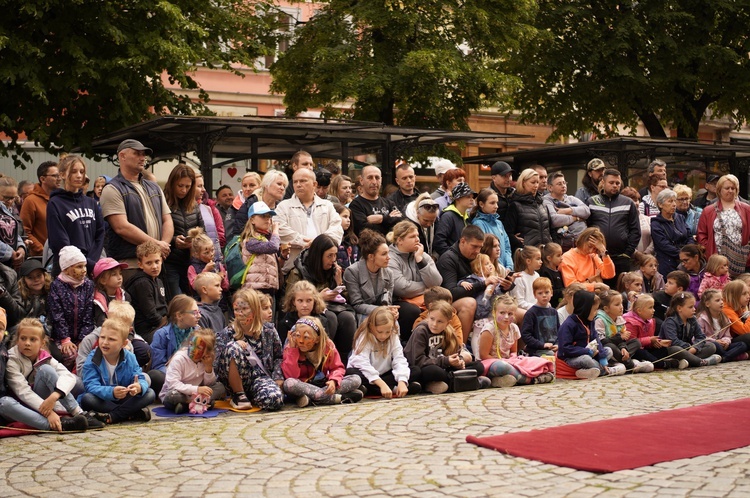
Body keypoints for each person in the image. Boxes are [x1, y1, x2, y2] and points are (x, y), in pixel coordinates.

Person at [1, 318, 96, 432]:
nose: (27, 343)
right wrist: (49, 413)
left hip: (44, 400)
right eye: (23, 338)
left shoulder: (45, 356)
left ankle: (78, 413)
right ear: (17, 340)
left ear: (42, 343)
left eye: (33, 339)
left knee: (46, 370)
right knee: (4, 403)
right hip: (23, 405)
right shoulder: (12, 359)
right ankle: (59, 424)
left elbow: (69, 376)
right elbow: (23, 391)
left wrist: (55, 395)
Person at [100, 139, 173, 283]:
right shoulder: (112, 189)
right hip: (131, 264)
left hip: (157, 262)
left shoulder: (154, 187)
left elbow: (167, 219)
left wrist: (163, 245)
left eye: (144, 154)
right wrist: (157, 246)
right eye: (137, 153)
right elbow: (121, 227)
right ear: (122, 156)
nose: (143, 157)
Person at [286, 234, 357, 358]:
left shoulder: (333, 270)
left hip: (333, 307)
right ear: (319, 256)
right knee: (330, 318)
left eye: (335, 255)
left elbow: (347, 298)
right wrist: (318, 297)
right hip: (308, 310)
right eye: (329, 256)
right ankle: (324, 357)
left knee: (348, 318)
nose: (333, 259)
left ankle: (343, 360)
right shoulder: (298, 271)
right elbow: (290, 301)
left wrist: (339, 282)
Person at [215, 289, 284, 410]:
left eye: (245, 309)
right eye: (236, 310)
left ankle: (255, 395)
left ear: (255, 309)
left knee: (274, 400)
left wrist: (278, 377)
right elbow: (216, 364)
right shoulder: (227, 333)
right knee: (233, 347)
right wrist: (234, 345)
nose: (241, 313)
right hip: (236, 379)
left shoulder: (269, 330)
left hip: (260, 378)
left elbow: (279, 356)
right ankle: (239, 395)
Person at [79, 318, 156, 424]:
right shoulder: (93, 358)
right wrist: (112, 392)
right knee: (87, 399)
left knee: (149, 393)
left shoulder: (130, 357)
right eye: (102, 337)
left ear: (124, 344)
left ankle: (113, 416)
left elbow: (140, 377)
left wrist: (138, 387)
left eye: (111, 339)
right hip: (103, 399)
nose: (105, 342)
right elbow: (90, 386)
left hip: (124, 398)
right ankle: (130, 413)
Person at [404, 301, 488, 394]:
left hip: (445, 367)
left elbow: (455, 354)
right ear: (428, 316)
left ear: (448, 323)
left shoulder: (449, 332)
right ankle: (470, 381)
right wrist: (446, 361)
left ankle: (452, 382)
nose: (434, 324)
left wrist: (458, 361)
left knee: (478, 366)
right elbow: (418, 361)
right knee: (434, 372)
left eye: (440, 321)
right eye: (432, 319)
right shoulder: (421, 331)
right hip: (426, 367)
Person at [436, 226, 499, 344]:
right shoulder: (448, 259)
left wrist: (506, 286)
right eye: (474, 246)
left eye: (480, 247)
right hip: (450, 303)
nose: (477, 251)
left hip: (483, 301)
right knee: (469, 303)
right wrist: (482, 284)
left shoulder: (477, 257)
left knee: (513, 310)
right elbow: (451, 293)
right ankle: (461, 347)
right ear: (463, 241)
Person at [282, 316, 363, 407]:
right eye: (297, 335)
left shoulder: (328, 346)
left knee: (356, 379)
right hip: (303, 387)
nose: (300, 341)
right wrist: (293, 351)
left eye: (306, 337)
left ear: (317, 339)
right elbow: (291, 376)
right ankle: (337, 398)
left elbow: (337, 367)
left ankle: (313, 399)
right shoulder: (291, 347)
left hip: (323, 384)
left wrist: (333, 381)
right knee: (289, 383)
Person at [477, 294, 555, 387]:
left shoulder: (514, 328)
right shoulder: (489, 330)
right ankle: (530, 380)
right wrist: (505, 361)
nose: (506, 317)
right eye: (502, 313)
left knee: (535, 360)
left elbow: (513, 351)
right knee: (503, 366)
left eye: (510, 314)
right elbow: (484, 355)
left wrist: (512, 358)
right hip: (492, 363)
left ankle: (504, 380)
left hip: (509, 361)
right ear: (494, 312)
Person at [275, 168, 343, 274]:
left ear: (314, 184)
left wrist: (318, 244)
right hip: (294, 269)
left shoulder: (327, 206)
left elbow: (337, 230)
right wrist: (302, 241)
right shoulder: (283, 206)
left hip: (323, 269)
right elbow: (279, 230)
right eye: (295, 182)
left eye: (302, 181)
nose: (298, 184)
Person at [46, 156, 104, 276]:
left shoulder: (91, 202)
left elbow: (100, 233)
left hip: (91, 267)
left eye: (82, 172)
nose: (79, 175)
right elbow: (59, 241)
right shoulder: (55, 203)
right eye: (74, 171)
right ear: (62, 175)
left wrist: (91, 262)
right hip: (67, 268)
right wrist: (83, 262)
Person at [346, 307, 420, 398]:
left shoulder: (393, 336)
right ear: (371, 326)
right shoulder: (364, 337)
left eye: (387, 332)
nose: (383, 336)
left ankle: (372, 389)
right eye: (380, 332)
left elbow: (399, 359)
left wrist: (402, 381)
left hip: (384, 373)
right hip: (366, 373)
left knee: (415, 370)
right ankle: (389, 388)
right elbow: (361, 363)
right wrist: (381, 384)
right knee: (352, 374)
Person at [387, 220, 442, 342]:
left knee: (444, 305)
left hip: (421, 298)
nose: (417, 239)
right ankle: (407, 343)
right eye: (412, 236)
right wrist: (427, 288)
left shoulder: (421, 254)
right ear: (399, 240)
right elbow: (402, 288)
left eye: (417, 235)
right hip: (398, 300)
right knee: (411, 311)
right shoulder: (390, 257)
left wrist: (420, 261)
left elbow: (437, 282)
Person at [586, 168, 641, 283]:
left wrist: (627, 253)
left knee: (620, 294)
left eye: (617, 183)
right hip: (598, 256)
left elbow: (635, 230)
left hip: (621, 258)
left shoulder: (628, 202)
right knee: (601, 293)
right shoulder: (592, 201)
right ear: (603, 182)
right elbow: (587, 227)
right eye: (611, 183)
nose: (615, 186)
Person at [47, 246, 95, 372]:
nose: (84, 270)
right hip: (61, 336)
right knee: (69, 354)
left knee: (86, 352)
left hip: (82, 334)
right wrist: (65, 339)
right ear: (66, 269)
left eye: (84, 266)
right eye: (79, 267)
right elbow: (57, 315)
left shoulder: (88, 285)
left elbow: (89, 314)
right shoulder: (57, 286)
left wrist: (82, 339)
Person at [159, 328, 226, 414]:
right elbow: (173, 384)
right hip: (179, 392)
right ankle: (202, 402)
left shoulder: (205, 359)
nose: (193, 350)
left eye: (199, 347)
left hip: (197, 393)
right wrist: (196, 389)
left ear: (207, 351)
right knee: (172, 395)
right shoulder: (179, 359)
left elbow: (208, 384)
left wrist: (208, 367)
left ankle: (188, 405)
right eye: (191, 344)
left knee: (220, 387)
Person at [162, 164, 203, 301]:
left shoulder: (194, 205)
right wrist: (174, 241)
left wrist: (194, 242)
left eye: (188, 186)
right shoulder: (163, 202)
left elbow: (203, 232)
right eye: (180, 186)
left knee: (191, 301)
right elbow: (155, 230)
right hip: (170, 261)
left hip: (191, 262)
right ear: (172, 183)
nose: (184, 190)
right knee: (178, 301)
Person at [697, 174, 750, 276]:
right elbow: (701, 235)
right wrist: (710, 253)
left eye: (733, 188)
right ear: (719, 190)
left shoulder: (747, 209)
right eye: (727, 188)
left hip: (741, 260)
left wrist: (747, 256)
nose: (730, 190)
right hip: (717, 261)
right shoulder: (708, 210)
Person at [343, 229, 396, 328]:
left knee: (394, 321)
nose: (389, 258)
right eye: (384, 254)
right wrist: (381, 311)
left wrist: (390, 311)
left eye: (388, 253)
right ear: (371, 256)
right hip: (361, 314)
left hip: (381, 313)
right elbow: (357, 304)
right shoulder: (352, 272)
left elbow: (387, 302)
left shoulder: (389, 273)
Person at [557, 290, 613, 379]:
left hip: (590, 353)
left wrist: (602, 357)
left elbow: (596, 340)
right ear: (585, 309)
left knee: (608, 350)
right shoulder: (568, 325)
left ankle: (594, 370)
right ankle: (604, 371)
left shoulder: (590, 321)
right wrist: (586, 351)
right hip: (573, 357)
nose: (596, 313)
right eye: (594, 310)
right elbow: (565, 348)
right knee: (586, 359)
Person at [593, 291, 653, 374]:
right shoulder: (600, 320)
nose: (621, 307)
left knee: (636, 342)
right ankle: (631, 365)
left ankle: (623, 361)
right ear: (606, 309)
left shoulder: (619, 319)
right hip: (606, 350)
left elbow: (622, 340)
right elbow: (601, 341)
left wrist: (623, 348)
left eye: (621, 303)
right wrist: (619, 337)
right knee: (610, 346)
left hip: (618, 349)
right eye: (617, 305)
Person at [659, 292, 721, 368]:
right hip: (674, 350)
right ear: (679, 308)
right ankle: (702, 361)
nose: (694, 309)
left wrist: (695, 348)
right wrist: (689, 347)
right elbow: (673, 341)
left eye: (694, 306)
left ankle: (686, 361)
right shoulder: (670, 322)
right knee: (676, 349)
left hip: (689, 350)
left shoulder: (692, 319)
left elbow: (701, 337)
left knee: (711, 346)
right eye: (690, 307)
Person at [623, 294, 684, 370]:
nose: (653, 310)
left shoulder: (650, 321)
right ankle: (663, 364)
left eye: (653, 307)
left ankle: (655, 362)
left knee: (662, 350)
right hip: (633, 351)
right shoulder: (630, 322)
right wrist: (649, 340)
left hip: (644, 348)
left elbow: (649, 341)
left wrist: (657, 342)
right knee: (641, 353)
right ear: (639, 310)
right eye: (650, 308)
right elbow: (631, 343)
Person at [125, 240, 168, 343]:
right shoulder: (142, 283)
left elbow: (164, 307)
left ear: (161, 260)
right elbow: (151, 315)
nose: (154, 266)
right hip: (148, 331)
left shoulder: (158, 280)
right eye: (149, 263)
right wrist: (170, 324)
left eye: (157, 261)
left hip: (160, 325)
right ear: (140, 265)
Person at [229, 170, 288, 240]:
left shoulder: (281, 206)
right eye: (279, 184)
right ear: (267, 184)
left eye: (284, 186)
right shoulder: (252, 203)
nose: (282, 188)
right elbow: (238, 232)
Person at [503, 168, 552, 250]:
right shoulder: (515, 205)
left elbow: (551, 229)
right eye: (533, 182)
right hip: (527, 254)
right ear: (523, 183)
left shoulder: (542, 204)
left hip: (545, 253)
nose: (536, 185)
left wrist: (552, 244)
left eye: (537, 182)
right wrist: (517, 242)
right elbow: (507, 232)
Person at [239, 202, 280, 295]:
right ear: (252, 220)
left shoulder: (266, 239)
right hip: (255, 290)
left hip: (268, 288)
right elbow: (273, 247)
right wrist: (276, 231)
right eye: (263, 216)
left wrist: (284, 257)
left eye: (269, 216)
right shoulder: (250, 240)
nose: (268, 220)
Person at [350, 165, 403, 237]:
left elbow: (401, 223)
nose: (374, 182)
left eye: (377, 178)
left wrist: (382, 219)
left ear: (381, 180)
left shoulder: (389, 203)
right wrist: (389, 220)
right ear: (362, 181)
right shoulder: (356, 205)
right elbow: (363, 229)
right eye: (370, 178)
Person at [20, 160, 59, 258]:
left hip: (62, 256)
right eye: (55, 176)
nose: (59, 179)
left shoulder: (61, 200)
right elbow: (25, 231)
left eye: (60, 175)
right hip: (41, 259)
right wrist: (42, 250)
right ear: (42, 179)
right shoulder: (31, 201)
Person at [696, 289, 748, 362]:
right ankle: (731, 356)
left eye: (722, 300)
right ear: (707, 304)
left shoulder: (724, 318)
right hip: (710, 344)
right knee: (716, 346)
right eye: (717, 300)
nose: (721, 302)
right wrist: (716, 341)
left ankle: (724, 358)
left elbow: (728, 336)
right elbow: (698, 337)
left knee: (742, 345)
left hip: (723, 345)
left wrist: (725, 341)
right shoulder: (702, 319)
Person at [544, 172, 590, 251]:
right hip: (564, 245)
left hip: (583, 242)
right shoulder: (547, 201)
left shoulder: (571, 198)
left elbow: (586, 211)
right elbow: (554, 219)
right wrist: (576, 218)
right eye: (559, 184)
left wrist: (568, 210)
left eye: (564, 183)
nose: (563, 186)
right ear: (550, 187)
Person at [558, 227, 615, 292]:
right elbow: (571, 286)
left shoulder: (593, 255)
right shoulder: (567, 258)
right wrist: (595, 286)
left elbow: (609, 274)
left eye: (595, 249)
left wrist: (604, 253)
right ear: (583, 240)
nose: (590, 251)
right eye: (589, 246)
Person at [470, 188, 514, 270]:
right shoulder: (478, 224)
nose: (496, 206)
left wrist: (509, 267)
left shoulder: (499, 223)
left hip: (504, 269)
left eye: (497, 202)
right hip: (491, 270)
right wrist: (496, 268)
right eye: (492, 203)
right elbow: (483, 250)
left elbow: (507, 247)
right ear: (481, 204)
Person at [651, 189, 691, 277]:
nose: (674, 204)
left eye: (674, 201)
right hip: (668, 263)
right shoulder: (656, 224)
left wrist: (689, 251)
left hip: (687, 261)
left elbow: (689, 235)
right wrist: (683, 254)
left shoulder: (680, 218)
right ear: (660, 204)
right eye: (670, 201)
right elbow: (664, 245)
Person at [519, 278, 560, 358]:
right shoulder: (531, 313)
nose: (544, 295)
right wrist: (542, 345)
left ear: (551, 293)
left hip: (553, 348)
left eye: (547, 292)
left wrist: (558, 344)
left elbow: (559, 331)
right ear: (535, 295)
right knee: (551, 356)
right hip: (536, 349)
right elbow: (526, 335)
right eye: (540, 293)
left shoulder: (554, 312)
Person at [434, 183, 477, 255]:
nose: (472, 200)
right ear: (458, 199)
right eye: (468, 197)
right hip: (452, 262)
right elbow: (439, 242)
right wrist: (452, 257)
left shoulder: (467, 217)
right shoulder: (448, 216)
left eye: (472, 197)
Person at [186, 228, 229, 296]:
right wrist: (206, 270)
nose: (211, 254)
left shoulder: (218, 265)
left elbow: (226, 287)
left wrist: (222, 279)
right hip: (202, 303)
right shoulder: (192, 268)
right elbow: (195, 286)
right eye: (206, 253)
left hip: (220, 302)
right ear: (196, 254)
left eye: (212, 250)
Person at [92, 257, 130, 327]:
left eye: (120, 273)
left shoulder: (125, 296)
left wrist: (130, 336)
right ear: (103, 280)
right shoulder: (97, 301)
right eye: (114, 274)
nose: (119, 277)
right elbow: (101, 324)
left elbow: (130, 321)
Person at [0, 175, 26, 272]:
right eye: (6, 198)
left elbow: (14, 233)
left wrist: (21, 248)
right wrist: (10, 252)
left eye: (13, 198)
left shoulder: (9, 210)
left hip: (11, 266)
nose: (10, 201)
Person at [195, 172, 225, 254]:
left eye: (203, 186)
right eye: (199, 186)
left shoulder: (209, 208)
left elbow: (219, 235)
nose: (203, 189)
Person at [405, 193, 440, 260]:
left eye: (432, 221)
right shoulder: (407, 224)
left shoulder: (437, 221)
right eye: (425, 220)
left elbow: (438, 240)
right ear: (417, 213)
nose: (429, 224)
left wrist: (435, 256)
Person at [620, 187, 654, 254]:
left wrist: (646, 253)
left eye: (637, 200)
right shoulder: (620, 221)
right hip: (629, 258)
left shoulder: (648, 219)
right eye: (632, 200)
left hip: (648, 259)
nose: (636, 203)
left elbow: (654, 240)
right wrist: (637, 255)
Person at [510, 246, 542, 311]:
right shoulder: (519, 278)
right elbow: (519, 303)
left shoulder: (537, 275)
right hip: (525, 312)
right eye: (538, 259)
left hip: (536, 309)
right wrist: (537, 307)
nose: (541, 262)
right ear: (528, 261)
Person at [18, 259, 50, 323]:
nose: (36, 280)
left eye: (39, 275)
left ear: (44, 276)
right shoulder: (20, 298)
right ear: (23, 281)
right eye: (30, 277)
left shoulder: (51, 294)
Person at [721, 280, 750, 351]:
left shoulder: (738, 306)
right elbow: (745, 331)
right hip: (726, 341)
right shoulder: (726, 309)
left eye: (748, 293)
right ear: (733, 295)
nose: (748, 296)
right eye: (744, 294)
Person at [334, 203, 359, 269]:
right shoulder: (330, 239)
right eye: (345, 217)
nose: (349, 220)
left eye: (349, 217)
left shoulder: (352, 239)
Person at [539, 242, 564, 308]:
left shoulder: (558, 271)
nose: (561, 258)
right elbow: (549, 292)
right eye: (558, 255)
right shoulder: (545, 272)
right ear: (549, 258)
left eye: (562, 255)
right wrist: (565, 291)